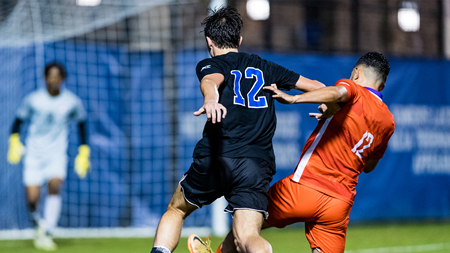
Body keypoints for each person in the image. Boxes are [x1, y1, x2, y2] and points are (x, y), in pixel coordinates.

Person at [150, 6, 325, 253]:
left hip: (217, 158)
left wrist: (210, 100)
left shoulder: (211, 64)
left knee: (176, 209)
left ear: (209, 41)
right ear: (239, 40)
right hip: (255, 165)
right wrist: (328, 104)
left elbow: (211, 81)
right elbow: (316, 86)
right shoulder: (266, 67)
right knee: (247, 237)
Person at [199, 52, 395, 253]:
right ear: (382, 86)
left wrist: (294, 99)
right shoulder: (388, 121)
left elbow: (337, 93)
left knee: (248, 225)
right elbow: (369, 166)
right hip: (339, 203)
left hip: (303, 188)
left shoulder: (353, 88)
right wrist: (338, 122)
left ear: (356, 73)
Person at [7, 62, 90, 251]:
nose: (53, 80)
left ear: (63, 79)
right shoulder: (33, 100)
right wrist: (14, 141)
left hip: (56, 154)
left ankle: (49, 231)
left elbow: (82, 124)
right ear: (45, 78)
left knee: (55, 184)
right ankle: (38, 226)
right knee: (32, 198)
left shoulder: (72, 101)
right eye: (50, 76)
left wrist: (84, 151)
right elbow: (18, 121)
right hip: (34, 155)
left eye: (56, 77)